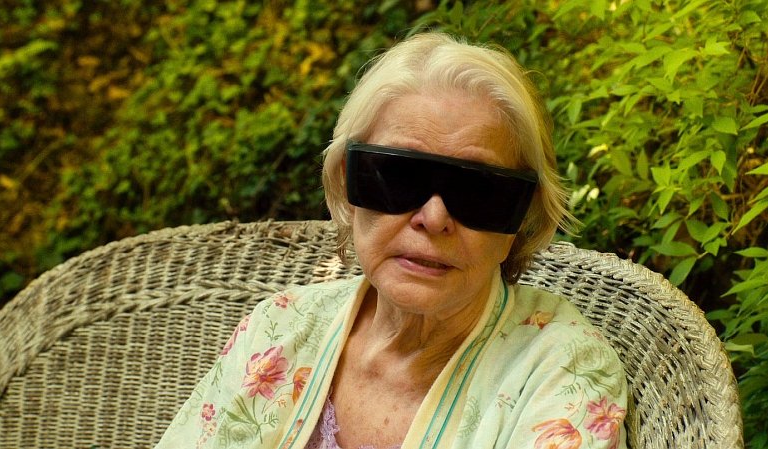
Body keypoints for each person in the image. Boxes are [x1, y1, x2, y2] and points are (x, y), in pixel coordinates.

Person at [155, 32, 627, 449]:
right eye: (400, 176)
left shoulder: (564, 371)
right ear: (347, 181)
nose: (434, 218)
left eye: (478, 191)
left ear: (519, 219)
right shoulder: (278, 326)